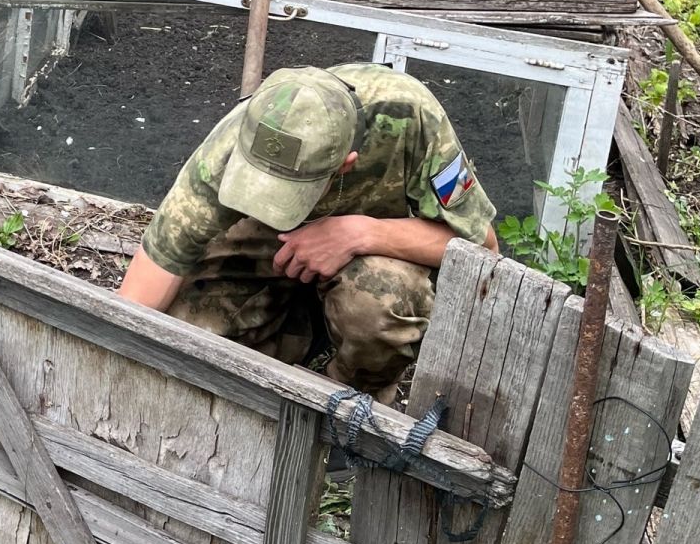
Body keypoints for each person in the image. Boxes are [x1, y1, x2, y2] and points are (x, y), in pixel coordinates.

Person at [117, 63, 499, 402]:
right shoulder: (234, 138)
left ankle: (344, 403)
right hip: (270, 248)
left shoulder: (409, 116)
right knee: (188, 329)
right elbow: (161, 260)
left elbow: (482, 247)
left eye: (287, 193)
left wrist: (360, 234)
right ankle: (292, 339)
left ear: (346, 165)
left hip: (370, 257)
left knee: (380, 306)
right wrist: (117, 357)